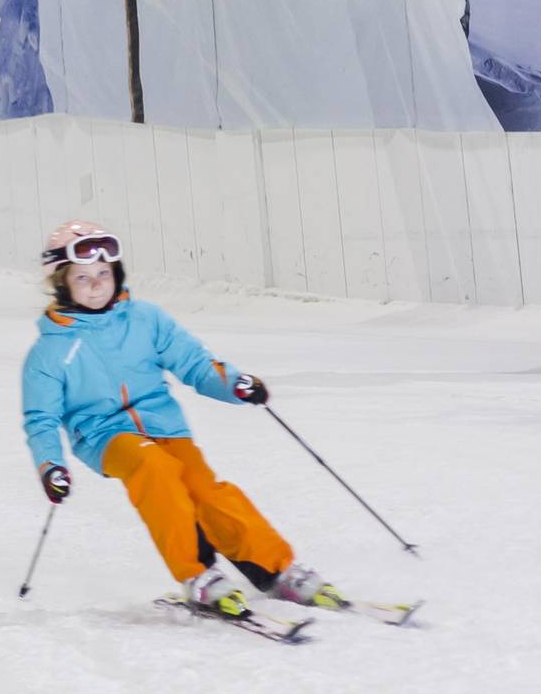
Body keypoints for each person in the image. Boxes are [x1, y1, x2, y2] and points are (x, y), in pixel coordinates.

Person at [21, 221, 356, 620]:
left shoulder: (145, 319)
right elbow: (41, 418)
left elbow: (193, 363)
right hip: (104, 436)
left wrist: (236, 384)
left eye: (103, 274)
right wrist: (51, 467)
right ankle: (197, 575)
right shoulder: (49, 352)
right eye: (82, 277)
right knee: (154, 469)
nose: (96, 285)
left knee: (205, 491)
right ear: (62, 283)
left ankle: (275, 568)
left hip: (165, 426)